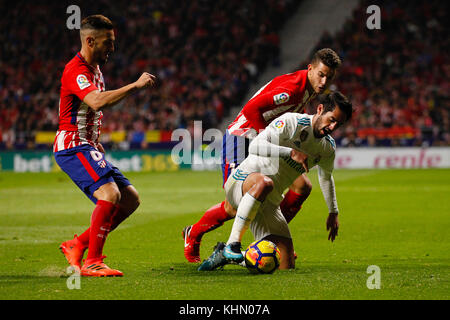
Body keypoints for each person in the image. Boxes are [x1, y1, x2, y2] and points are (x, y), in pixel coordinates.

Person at [183, 48, 342, 263]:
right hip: (242, 136)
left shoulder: (309, 89)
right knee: (234, 205)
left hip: (268, 141)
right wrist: (265, 140)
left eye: (329, 77)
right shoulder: (293, 89)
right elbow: (251, 109)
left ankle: (270, 240)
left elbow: (292, 115)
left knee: (302, 187)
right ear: (310, 69)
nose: (324, 82)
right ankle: (193, 234)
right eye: (321, 74)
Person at [198, 91, 353, 271]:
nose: (333, 127)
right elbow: (255, 146)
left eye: (338, 124)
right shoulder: (292, 122)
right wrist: (290, 152)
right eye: (331, 119)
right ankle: (232, 245)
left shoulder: (327, 148)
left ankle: (224, 255)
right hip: (243, 181)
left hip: (270, 202)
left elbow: (325, 177)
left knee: (285, 265)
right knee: (264, 183)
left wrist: (333, 211)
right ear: (320, 109)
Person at [55, 15, 156, 277]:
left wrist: (96, 141)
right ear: (90, 41)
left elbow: (89, 110)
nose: (112, 47)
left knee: (130, 199)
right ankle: (93, 261)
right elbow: (96, 101)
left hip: (86, 144)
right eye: (107, 42)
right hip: (72, 145)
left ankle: (77, 244)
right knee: (110, 195)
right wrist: (135, 85)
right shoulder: (76, 70)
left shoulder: (96, 69)